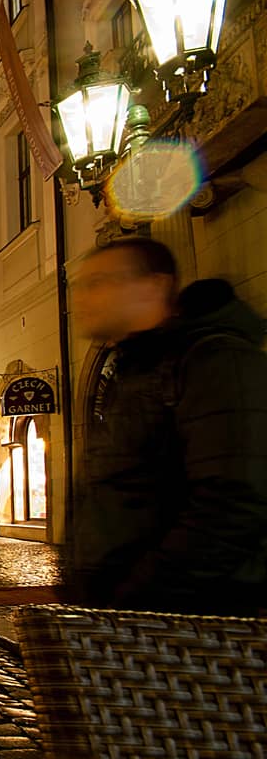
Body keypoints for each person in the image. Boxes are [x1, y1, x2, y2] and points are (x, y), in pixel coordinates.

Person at [67, 237, 267, 615]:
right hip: (131, 617)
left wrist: (136, 601)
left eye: (98, 283)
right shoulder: (135, 367)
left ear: (152, 286)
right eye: (79, 286)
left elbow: (234, 501)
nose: (81, 298)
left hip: (198, 624)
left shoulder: (215, 361)